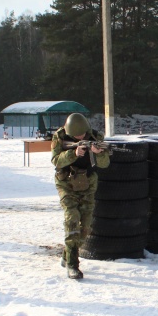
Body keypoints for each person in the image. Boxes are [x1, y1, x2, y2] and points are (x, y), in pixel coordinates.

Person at [51, 113, 109, 279]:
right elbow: (56, 160)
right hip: (66, 184)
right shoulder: (60, 137)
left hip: (88, 185)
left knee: (86, 228)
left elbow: (104, 164)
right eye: (76, 136)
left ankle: (67, 255)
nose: (80, 137)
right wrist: (74, 153)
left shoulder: (96, 137)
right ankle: (72, 265)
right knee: (72, 219)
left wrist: (97, 153)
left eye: (82, 135)